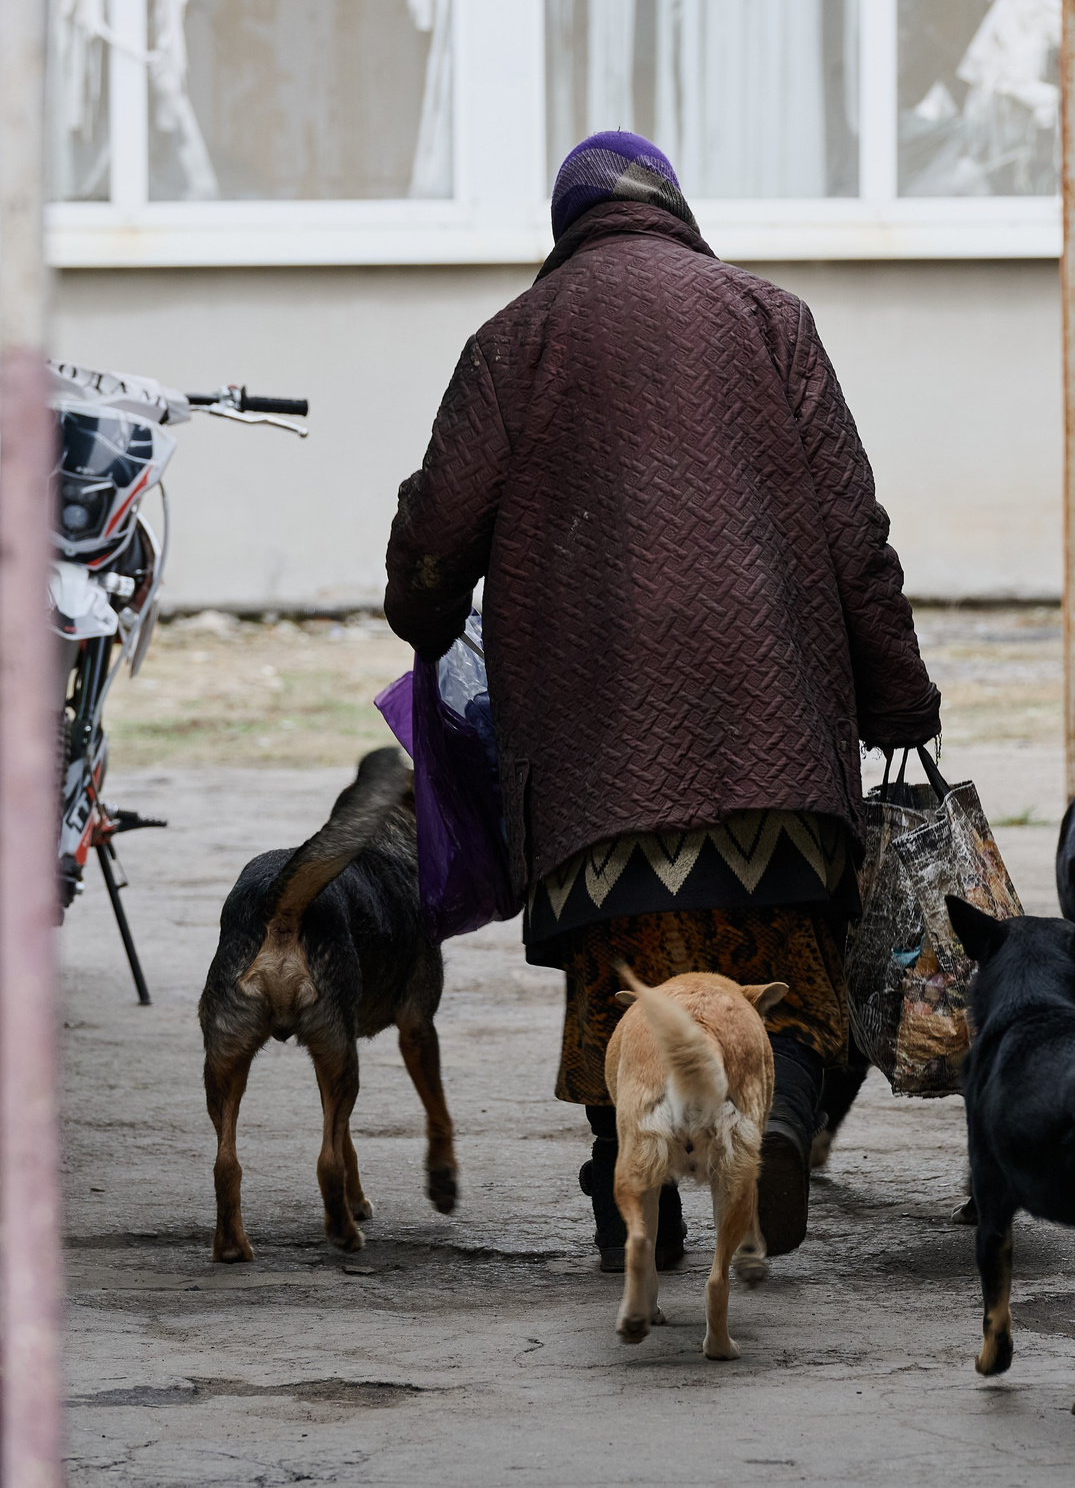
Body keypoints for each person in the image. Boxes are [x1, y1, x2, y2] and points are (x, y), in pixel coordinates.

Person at [385, 131, 941, 1272]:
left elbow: (436, 540)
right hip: (778, 740)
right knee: (784, 960)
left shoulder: (511, 343)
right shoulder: (770, 317)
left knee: (622, 980)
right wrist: (898, 694)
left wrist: (424, 615)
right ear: (673, 208)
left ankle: (631, 1196)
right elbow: (853, 525)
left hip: (598, 762)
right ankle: (777, 1117)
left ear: (568, 225)